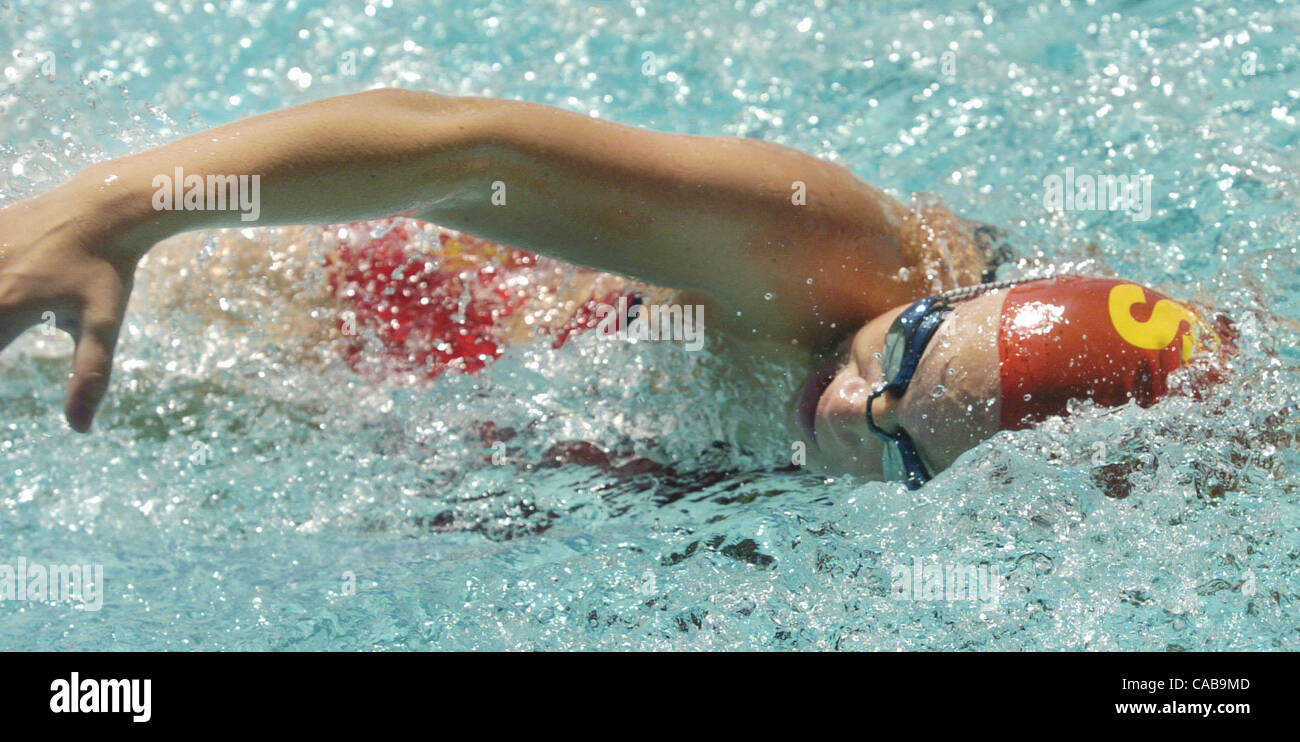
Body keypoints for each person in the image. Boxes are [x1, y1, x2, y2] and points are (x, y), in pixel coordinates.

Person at [0, 89, 1231, 486]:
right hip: (422, 313)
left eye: (902, 447)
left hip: (541, 458)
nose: (853, 404)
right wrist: (106, 213)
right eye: (895, 354)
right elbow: (464, 152)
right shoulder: (832, 251)